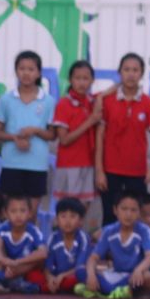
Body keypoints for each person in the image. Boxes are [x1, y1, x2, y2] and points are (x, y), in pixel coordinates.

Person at [96, 53, 150, 227]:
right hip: (110, 169)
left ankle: (137, 253)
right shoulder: (108, 101)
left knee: (136, 218)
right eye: (126, 69)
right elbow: (100, 136)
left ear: (141, 73)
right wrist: (99, 171)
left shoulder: (148, 103)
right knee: (110, 217)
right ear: (119, 72)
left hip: (137, 171)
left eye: (135, 70)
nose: (131, 74)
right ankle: (109, 254)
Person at [0, 51, 57, 208]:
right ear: (16, 71)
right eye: (22, 68)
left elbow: (52, 135)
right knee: (10, 212)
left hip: (37, 164)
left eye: (31, 69)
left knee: (31, 213)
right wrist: (14, 138)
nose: (26, 73)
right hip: (11, 163)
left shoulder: (48, 101)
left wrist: (35, 130)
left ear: (39, 73)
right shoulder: (6, 99)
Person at [85, 191, 150, 299]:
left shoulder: (144, 230)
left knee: (147, 278)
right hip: (118, 274)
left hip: (137, 274)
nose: (128, 214)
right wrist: (91, 276)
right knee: (82, 271)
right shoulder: (109, 231)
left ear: (139, 213)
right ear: (115, 210)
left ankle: (112, 290)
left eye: (133, 210)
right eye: (124, 209)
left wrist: (138, 269)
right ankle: (117, 290)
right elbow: (93, 257)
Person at [50, 61, 101, 216]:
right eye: (77, 78)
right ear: (70, 80)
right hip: (69, 164)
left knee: (84, 208)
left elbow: (110, 91)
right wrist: (90, 121)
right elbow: (64, 139)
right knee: (68, 210)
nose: (82, 83)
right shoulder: (64, 104)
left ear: (92, 81)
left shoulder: (92, 101)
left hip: (88, 162)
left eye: (86, 78)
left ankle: (79, 238)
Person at [0, 194, 47, 292]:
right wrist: (2, 259)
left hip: (21, 268)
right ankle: (0, 280)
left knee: (38, 257)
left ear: (30, 213)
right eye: (13, 211)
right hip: (4, 266)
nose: (18, 215)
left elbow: (43, 253)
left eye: (22, 211)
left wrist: (17, 262)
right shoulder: (2, 228)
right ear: (6, 213)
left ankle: (3, 282)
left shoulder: (33, 231)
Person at [42, 197, 92, 293]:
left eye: (72, 216)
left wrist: (63, 275)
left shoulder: (83, 238)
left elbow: (80, 266)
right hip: (57, 276)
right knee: (35, 276)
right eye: (63, 216)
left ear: (81, 221)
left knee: (79, 276)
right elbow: (47, 265)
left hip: (73, 275)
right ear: (56, 220)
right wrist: (50, 277)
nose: (68, 221)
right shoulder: (53, 238)